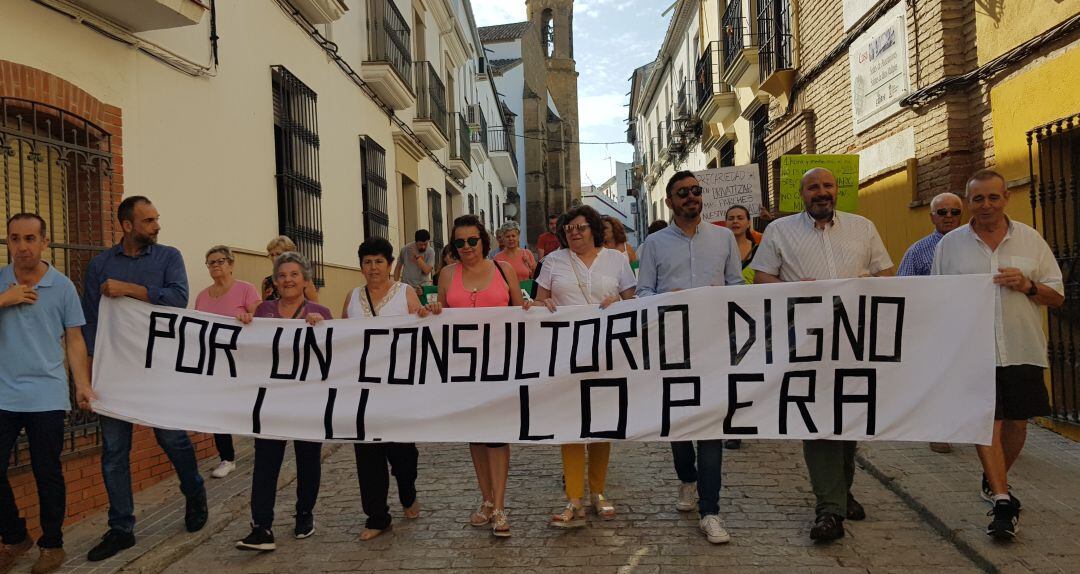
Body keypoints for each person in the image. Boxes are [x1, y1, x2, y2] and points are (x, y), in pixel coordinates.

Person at [751, 168, 893, 542]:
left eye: (827, 186)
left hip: (855, 339)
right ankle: (829, 510)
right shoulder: (779, 232)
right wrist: (796, 288)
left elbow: (887, 274)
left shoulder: (863, 227)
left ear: (837, 191)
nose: (821, 192)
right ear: (802, 194)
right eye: (813, 187)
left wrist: (866, 286)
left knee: (848, 416)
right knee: (816, 418)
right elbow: (762, 279)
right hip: (805, 342)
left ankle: (841, 491)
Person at [932, 169, 1064, 541]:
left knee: (1017, 424)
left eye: (993, 197)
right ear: (967, 201)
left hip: (1021, 345)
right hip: (973, 350)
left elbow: (1057, 296)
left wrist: (1028, 285)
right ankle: (1003, 498)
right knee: (987, 420)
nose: (986, 205)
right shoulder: (951, 245)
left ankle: (993, 477)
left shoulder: (1031, 240)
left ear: (1006, 197)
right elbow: (938, 300)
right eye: (978, 199)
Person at [81, 196, 208, 562]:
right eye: (148, 221)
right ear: (127, 225)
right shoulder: (100, 265)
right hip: (116, 371)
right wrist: (89, 372)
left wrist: (130, 290)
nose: (156, 226)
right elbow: (90, 320)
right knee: (114, 452)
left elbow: (178, 301)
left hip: (158, 369)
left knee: (171, 437)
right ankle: (121, 528)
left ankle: (194, 488)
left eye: (156, 219)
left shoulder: (169, 257)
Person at [636, 171, 744, 545]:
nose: (691, 197)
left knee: (711, 429)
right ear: (670, 202)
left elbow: (738, 285)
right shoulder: (654, 243)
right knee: (680, 427)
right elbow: (643, 291)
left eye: (696, 191)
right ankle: (687, 478)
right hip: (672, 347)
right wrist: (668, 299)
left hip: (714, 346)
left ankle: (710, 511)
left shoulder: (724, 237)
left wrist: (725, 297)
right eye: (683, 193)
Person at [0, 213, 94, 574]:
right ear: (8, 242)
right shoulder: (1, 282)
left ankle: (51, 544)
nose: (22, 246)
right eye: (15, 239)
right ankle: (14, 535)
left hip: (46, 394)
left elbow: (74, 339)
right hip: (4, 394)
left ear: (44, 242)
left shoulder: (63, 287)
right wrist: (3, 300)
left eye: (29, 238)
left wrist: (82, 385)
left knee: (47, 472)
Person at [534, 205, 636, 529]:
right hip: (567, 354)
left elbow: (634, 300)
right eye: (568, 229)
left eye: (580, 227)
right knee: (572, 424)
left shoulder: (617, 260)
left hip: (608, 352)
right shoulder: (553, 262)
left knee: (602, 422)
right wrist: (544, 304)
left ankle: (599, 492)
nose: (574, 233)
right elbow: (539, 301)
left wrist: (620, 303)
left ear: (593, 228)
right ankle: (574, 497)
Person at [343, 237, 440, 541]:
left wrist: (427, 314)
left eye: (379, 261)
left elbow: (421, 323)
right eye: (367, 262)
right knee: (367, 456)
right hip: (364, 390)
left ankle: (408, 492)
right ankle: (377, 516)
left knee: (402, 454)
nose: (373, 268)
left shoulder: (405, 293)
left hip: (398, 389)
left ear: (389, 265)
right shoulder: (351, 297)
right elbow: (340, 338)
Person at [437, 215, 526, 538]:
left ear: (483, 241)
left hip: (499, 365)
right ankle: (486, 500)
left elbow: (521, 311)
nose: (466, 247)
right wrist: (430, 311)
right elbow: (440, 314)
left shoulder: (504, 271)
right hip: (463, 368)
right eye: (459, 242)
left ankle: (500, 505)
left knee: (497, 435)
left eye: (472, 241)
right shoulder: (446, 274)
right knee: (475, 435)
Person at [234, 252, 329, 552]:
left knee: (308, 459)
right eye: (282, 276)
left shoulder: (320, 311)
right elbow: (249, 348)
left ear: (305, 280)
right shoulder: (263, 311)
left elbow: (335, 355)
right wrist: (245, 324)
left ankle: (304, 514)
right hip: (271, 400)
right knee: (266, 462)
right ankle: (261, 526)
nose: (288, 280)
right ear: (275, 281)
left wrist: (322, 327)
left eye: (294, 275)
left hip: (307, 400)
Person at [897, 192, 964, 454]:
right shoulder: (918, 251)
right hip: (935, 329)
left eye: (954, 212)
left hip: (970, 326)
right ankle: (940, 431)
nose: (948, 217)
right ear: (932, 216)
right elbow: (903, 289)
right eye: (942, 212)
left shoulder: (975, 245)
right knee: (940, 379)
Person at [193, 245, 260, 478]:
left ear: (231, 264)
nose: (216, 266)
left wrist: (249, 318)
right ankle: (227, 457)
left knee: (249, 406)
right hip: (216, 362)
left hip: (242, 360)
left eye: (220, 261)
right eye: (211, 262)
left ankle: (262, 448)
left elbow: (262, 321)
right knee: (217, 409)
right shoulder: (202, 296)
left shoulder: (246, 290)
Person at [262, 236, 319, 302]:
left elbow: (316, 307)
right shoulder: (266, 282)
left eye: (278, 254)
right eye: (271, 255)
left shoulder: (304, 280)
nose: (274, 258)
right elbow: (264, 309)